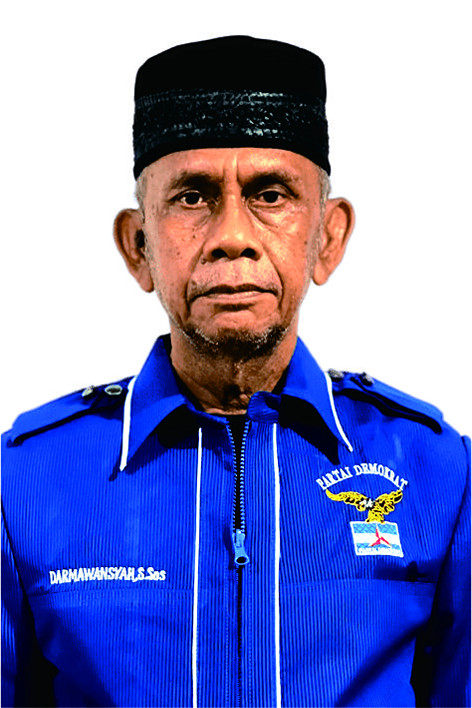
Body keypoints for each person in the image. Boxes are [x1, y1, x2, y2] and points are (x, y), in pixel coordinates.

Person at [1, 35, 469, 708]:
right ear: (139, 246)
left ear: (327, 238)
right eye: (192, 197)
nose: (232, 236)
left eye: (270, 194)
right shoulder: (22, 484)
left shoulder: (440, 475)